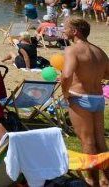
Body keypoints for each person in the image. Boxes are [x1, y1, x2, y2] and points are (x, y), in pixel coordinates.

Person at [61, 17, 109, 187]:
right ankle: (107, 178)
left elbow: (66, 75)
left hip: (80, 98)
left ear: (75, 31)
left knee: (87, 141)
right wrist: (94, 76)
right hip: (97, 98)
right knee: (100, 140)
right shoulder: (99, 51)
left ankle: (93, 180)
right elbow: (107, 74)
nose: (63, 31)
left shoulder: (72, 50)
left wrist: (65, 93)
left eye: (65, 28)